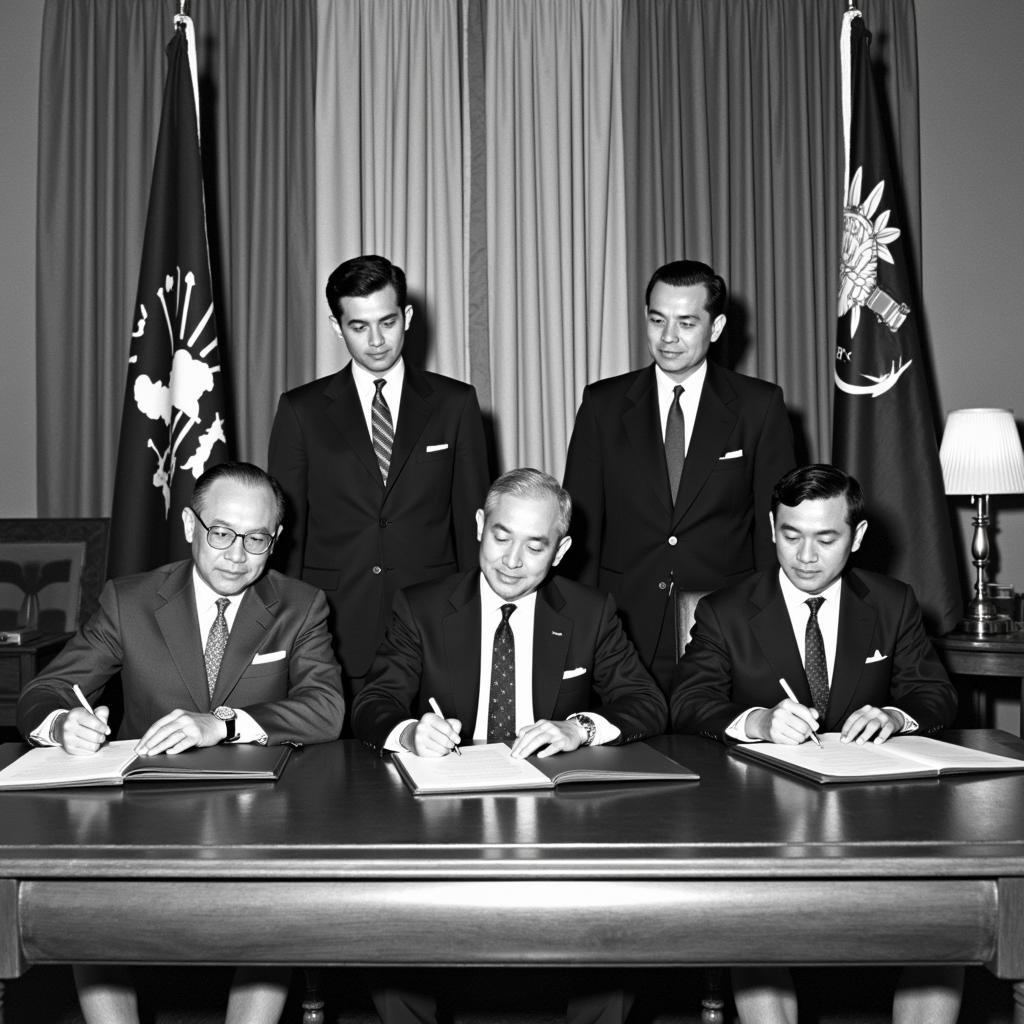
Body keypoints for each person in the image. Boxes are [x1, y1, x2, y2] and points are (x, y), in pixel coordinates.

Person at [17, 461, 346, 1024]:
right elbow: (45, 689)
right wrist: (60, 725)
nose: (237, 554)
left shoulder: (301, 604)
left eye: (257, 538)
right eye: (221, 532)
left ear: (276, 540)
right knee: (86, 899)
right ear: (191, 525)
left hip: (259, 813)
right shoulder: (129, 600)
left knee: (280, 897)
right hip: (143, 811)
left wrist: (225, 721)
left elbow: (327, 709)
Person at [353, 468, 666, 1024]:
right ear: (479, 525)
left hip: (556, 811)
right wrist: (408, 733)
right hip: (441, 807)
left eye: (535, 544)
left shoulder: (589, 611)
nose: (512, 560)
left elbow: (646, 701)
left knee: (621, 920)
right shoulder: (420, 606)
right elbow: (373, 702)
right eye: (501, 536)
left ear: (562, 549)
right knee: (388, 924)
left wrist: (579, 728)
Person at [671, 463, 961, 1024]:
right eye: (790, 534)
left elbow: (938, 696)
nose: (806, 555)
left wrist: (896, 715)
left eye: (826, 538)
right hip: (760, 819)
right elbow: (687, 702)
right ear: (772, 529)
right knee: (755, 922)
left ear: (857, 537)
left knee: (944, 917)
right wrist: (755, 720)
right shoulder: (725, 610)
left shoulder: (893, 601)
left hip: (878, 818)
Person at [561, 259, 795, 694]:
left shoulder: (759, 407)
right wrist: (580, 631)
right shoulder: (602, 405)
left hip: (724, 627)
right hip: (622, 629)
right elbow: (581, 531)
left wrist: (768, 627)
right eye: (657, 320)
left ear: (718, 326)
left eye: (686, 323)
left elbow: (775, 532)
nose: (668, 338)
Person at [268, 255, 490, 709]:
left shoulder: (455, 403)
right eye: (358, 326)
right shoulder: (300, 410)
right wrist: (285, 630)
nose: (375, 341)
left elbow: (475, 526)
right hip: (335, 624)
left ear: (407, 317)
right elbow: (285, 533)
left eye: (387, 322)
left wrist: (475, 619)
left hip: (434, 619)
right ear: (336, 326)